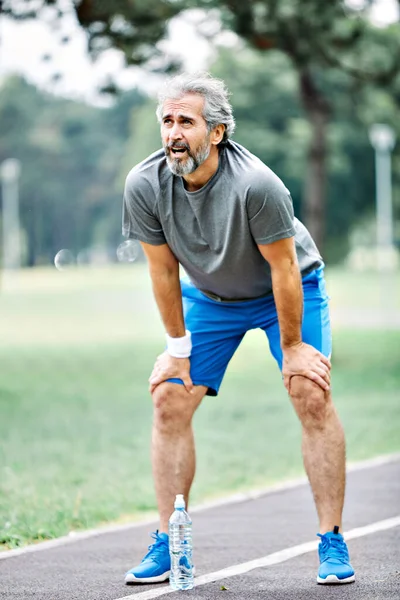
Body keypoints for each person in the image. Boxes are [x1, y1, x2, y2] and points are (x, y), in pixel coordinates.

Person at [122, 72, 355, 586]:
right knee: (169, 396)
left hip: (286, 291)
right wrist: (177, 351)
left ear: (218, 132)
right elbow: (162, 271)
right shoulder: (144, 184)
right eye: (167, 121)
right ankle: (169, 540)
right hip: (210, 297)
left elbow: (285, 269)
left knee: (309, 392)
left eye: (187, 121)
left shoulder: (257, 185)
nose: (173, 132)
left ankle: (331, 539)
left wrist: (293, 347)